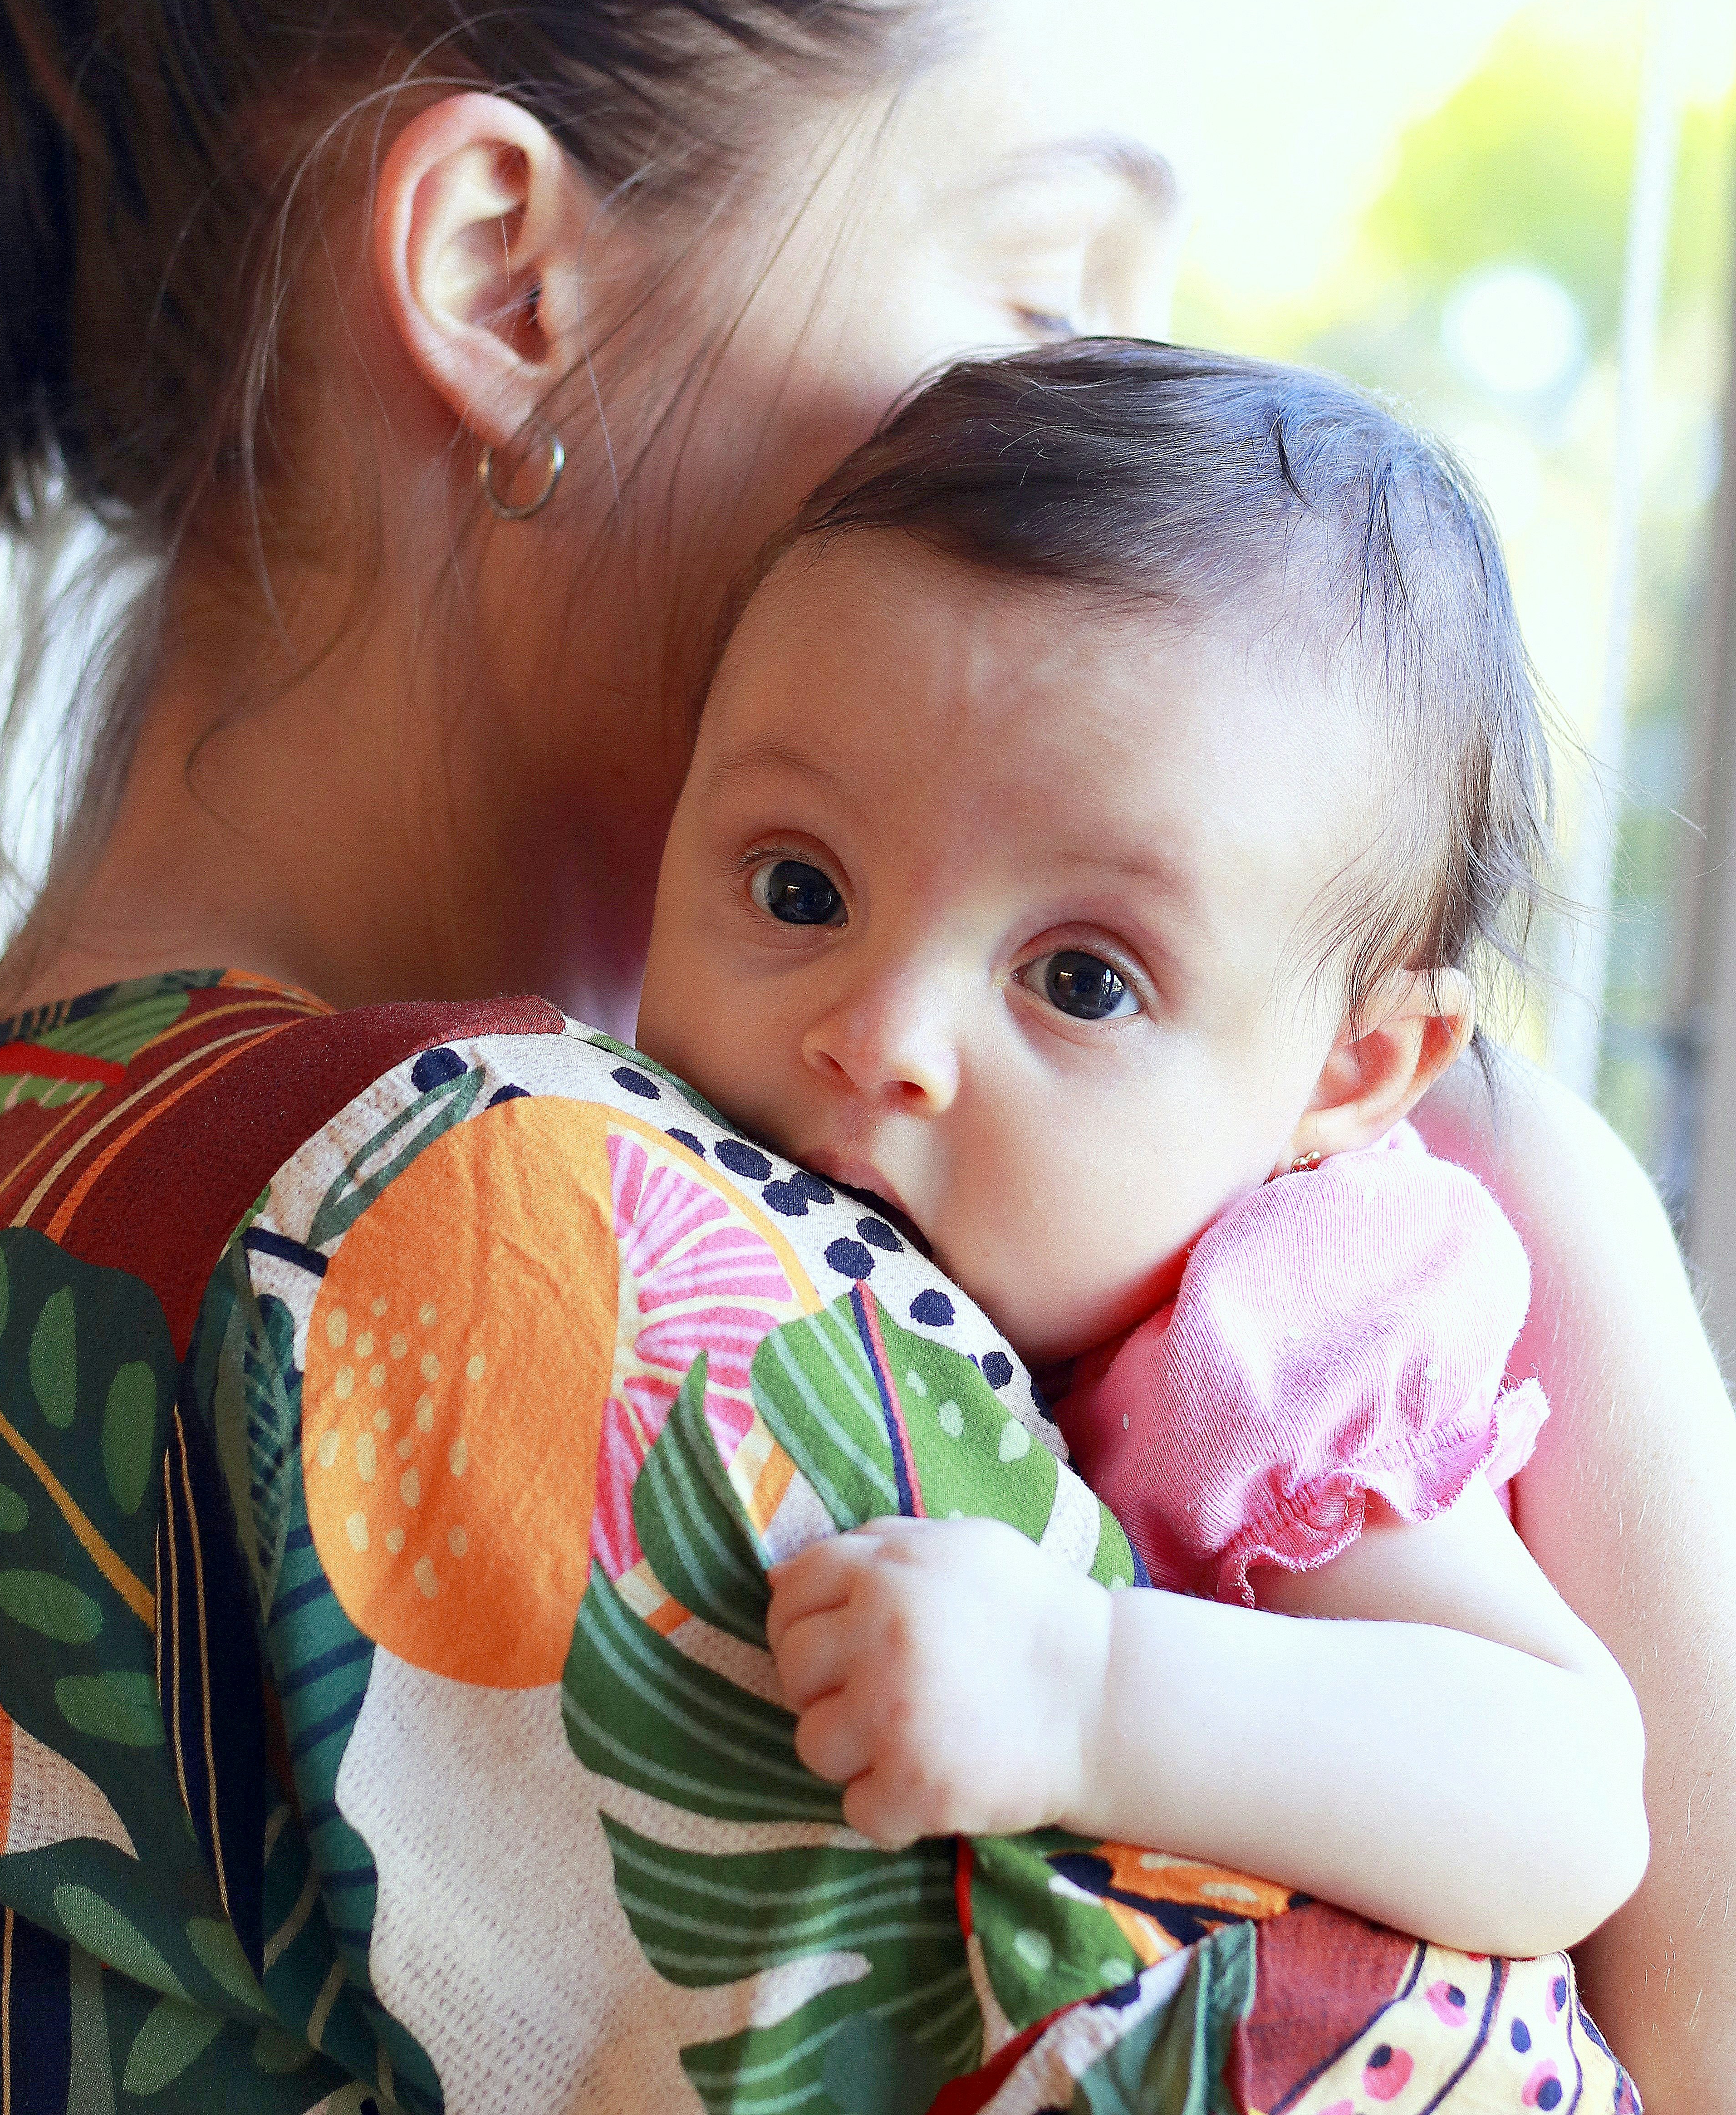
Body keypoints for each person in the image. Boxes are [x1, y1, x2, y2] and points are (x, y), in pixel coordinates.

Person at [0, 0, 1726, 2105]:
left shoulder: (19, 1157)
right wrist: (1591, 1269)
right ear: (503, 281)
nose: (1097, 440)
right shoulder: (491, 1255)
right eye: (1043, 288)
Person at [635, 339, 1648, 1957]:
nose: (881, 1035)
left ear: (1354, 1073)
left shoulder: (1272, 1338)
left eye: (1081, 981)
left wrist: (1087, 1691)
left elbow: (1571, 1797)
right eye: (798, 889)